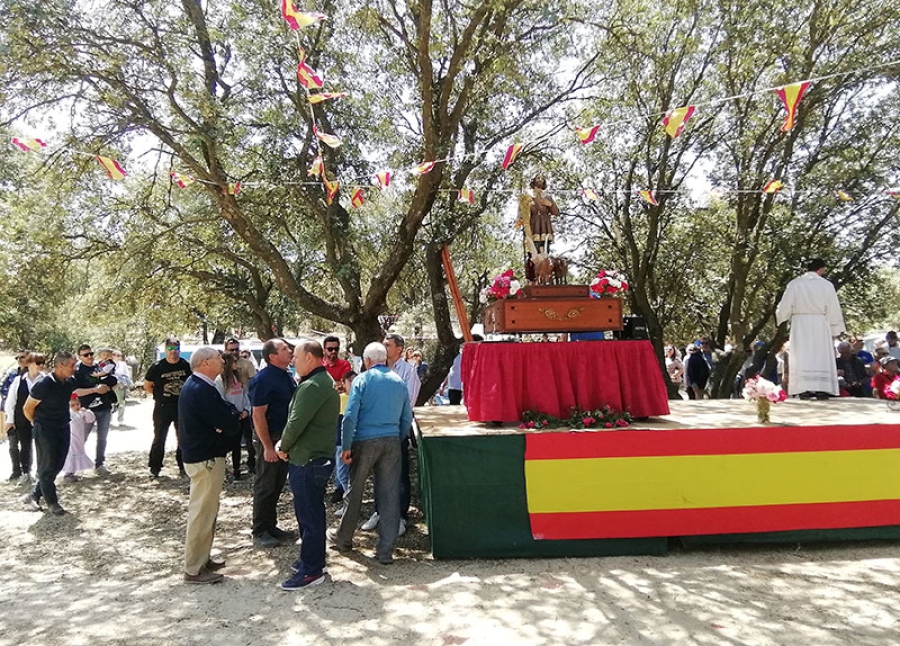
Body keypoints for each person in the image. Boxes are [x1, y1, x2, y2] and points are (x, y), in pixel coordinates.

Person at [328, 342, 413, 565]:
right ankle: (385, 550)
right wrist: (397, 437)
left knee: (354, 491)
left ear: (366, 361)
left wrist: (346, 446)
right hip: (392, 440)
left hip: (364, 440)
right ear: (385, 359)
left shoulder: (362, 380)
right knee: (389, 494)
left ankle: (344, 538)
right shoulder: (399, 381)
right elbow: (406, 418)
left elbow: (349, 416)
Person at [275, 339, 340, 590]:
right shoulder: (318, 383)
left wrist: (283, 445)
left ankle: (312, 570)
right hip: (312, 457)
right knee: (309, 513)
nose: (293, 361)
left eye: (297, 357)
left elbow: (295, 422)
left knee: (310, 514)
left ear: (311, 358)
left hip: (309, 459)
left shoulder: (313, 385)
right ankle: (313, 560)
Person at [178, 347, 241, 584]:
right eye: (217, 358)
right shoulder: (200, 389)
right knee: (201, 513)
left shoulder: (201, 386)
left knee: (208, 511)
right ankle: (193, 569)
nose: (222, 361)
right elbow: (227, 419)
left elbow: (226, 415)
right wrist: (231, 418)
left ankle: (202, 559)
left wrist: (229, 417)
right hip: (205, 459)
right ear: (205, 363)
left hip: (206, 457)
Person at [21, 351, 109, 515]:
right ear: (60, 366)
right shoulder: (44, 385)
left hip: (63, 426)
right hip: (45, 429)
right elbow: (27, 408)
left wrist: (96, 390)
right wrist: (37, 423)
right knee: (46, 466)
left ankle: (34, 495)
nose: (74, 368)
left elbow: (78, 391)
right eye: (71, 365)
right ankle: (52, 503)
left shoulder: (69, 381)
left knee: (58, 464)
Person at [360, 333, 420, 536]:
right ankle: (379, 511)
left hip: (396, 429)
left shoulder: (408, 372)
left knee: (400, 474)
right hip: (375, 431)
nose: (384, 348)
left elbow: (408, 404)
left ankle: (400, 516)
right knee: (378, 473)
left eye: (388, 345)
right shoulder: (377, 371)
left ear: (399, 349)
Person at [248, 338, 298, 547]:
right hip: (270, 438)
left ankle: (271, 524)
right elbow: (258, 415)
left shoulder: (286, 376)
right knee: (265, 483)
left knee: (277, 482)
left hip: (284, 438)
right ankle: (260, 529)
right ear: (272, 356)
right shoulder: (264, 379)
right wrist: (267, 446)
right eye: (284, 349)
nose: (289, 351)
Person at [775, 259, 846, 398]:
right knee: (820, 355)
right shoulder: (826, 285)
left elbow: (785, 306)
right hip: (820, 322)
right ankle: (821, 389)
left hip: (800, 323)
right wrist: (834, 327)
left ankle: (803, 389)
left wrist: (781, 317)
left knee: (802, 355)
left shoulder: (795, 284)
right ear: (820, 269)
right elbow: (833, 308)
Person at [145, 338, 192, 478]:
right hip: (162, 407)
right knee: (159, 437)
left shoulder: (185, 365)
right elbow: (147, 385)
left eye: (176, 349)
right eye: (170, 349)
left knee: (183, 437)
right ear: (165, 350)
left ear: (180, 349)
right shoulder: (157, 366)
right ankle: (155, 466)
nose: (173, 352)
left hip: (180, 407)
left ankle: (183, 466)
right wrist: (160, 395)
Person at [73, 344, 118, 476]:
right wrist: (94, 390)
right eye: (85, 355)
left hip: (104, 407)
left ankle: (99, 464)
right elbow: (75, 392)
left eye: (91, 354)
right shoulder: (77, 371)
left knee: (102, 437)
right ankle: (73, 467)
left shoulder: (101, 366)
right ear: (79, 357)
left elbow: (114, 381)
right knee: (81, 438)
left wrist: (108, 388)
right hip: (86, 409)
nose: (89, 357)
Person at [4, 352, 47, 484]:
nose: (41, 366)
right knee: (25, 445)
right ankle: (26, 473)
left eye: (42, 363)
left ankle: (41, 473)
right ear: (29, 364)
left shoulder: (46, 380)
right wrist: (10, 420)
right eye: (37, 363)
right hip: (21, 418)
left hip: (41, 418)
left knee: (42, 446)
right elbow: (11, 401)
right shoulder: (18, 381)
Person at [217, 346, 255, 480]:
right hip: (230, 417)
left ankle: (237, 469)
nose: (236, 365)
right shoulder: (220, 380)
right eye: (233, 362)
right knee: (228, 444)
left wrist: (246, 409)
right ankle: (222, 468)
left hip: (242, 416)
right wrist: (231, 413)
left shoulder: (237, 378)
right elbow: (220, 399)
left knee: (239, 444)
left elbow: (244, 394)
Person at [331, 371, 357, 506]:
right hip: (339, 442)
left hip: (353, 443)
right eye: (350, 381)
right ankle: (348, 501)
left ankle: (350, 503)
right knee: (341, 474)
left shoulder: (358, 399)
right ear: (343, 382)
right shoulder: (339, 399)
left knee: (349, 474)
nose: (352, 384)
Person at [519, 174, 560, 255]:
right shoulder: (528, 196)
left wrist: (550, 205)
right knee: (533, 252)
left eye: (542, 178)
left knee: (545, 253)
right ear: (534, 181)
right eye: (538, 178)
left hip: (545, 226)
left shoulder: (547, 197)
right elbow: (522, 212)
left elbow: (556, 213)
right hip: (534, 226)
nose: (540, 179)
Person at [62, 394, 96, 480]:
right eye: (72, 405)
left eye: (77, 404)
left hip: (79, 437)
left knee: (77, 452)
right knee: (71, 453)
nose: (76, 406)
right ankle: (68, 473)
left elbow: (90, 419)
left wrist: (86, 412)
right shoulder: (69, 414)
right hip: (71, 438)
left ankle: (72, 471)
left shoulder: (81, 413)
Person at [111, 350, 133, 425]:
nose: (118, 357)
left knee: (121, 403)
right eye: (117, 355)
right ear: (113, 356)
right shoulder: (109, 364)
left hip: (121, 384)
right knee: (111, 402)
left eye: (120, 356)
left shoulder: (123, 364)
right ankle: (109, 419)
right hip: (112, 385)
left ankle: (120, 420)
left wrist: (124, 382)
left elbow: (126, 374)